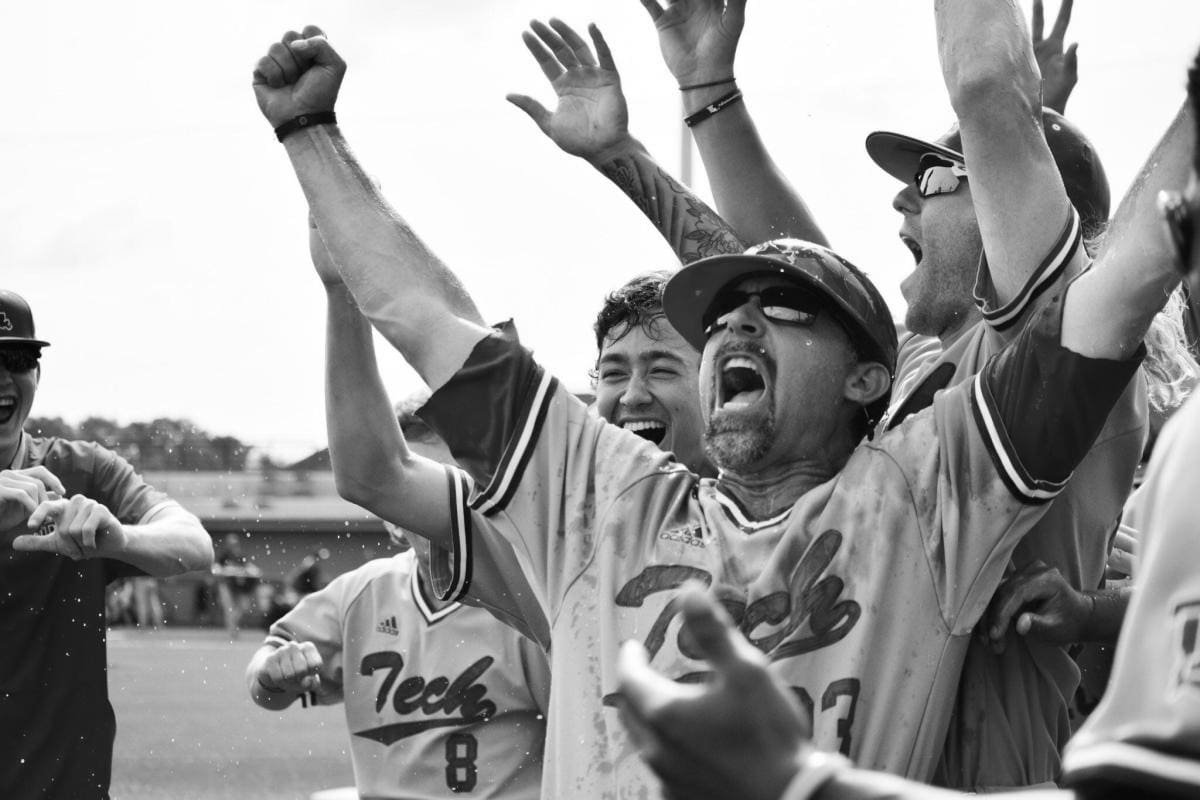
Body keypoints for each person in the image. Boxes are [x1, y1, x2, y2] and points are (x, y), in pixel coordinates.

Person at [253, 27, 1159, 799]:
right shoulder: (601, 493)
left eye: (777, 311)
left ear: (866, 386)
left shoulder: (924, 490)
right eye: (720, 318)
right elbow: (425, 317)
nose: (735, 326)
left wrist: (1001, 102)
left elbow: (1089, 280)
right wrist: (309, 134)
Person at [633, 0, 1196, 789]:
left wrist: (1014, 118)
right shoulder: (917, 367)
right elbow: (796, 272)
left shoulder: (1047, 353)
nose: (903, 199)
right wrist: (708, 95)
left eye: (934, 176)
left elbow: (986, 88)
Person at [244, 215, 550, 799]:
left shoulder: (529, 593)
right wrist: (273, 675)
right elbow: (271, 673)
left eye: (451, 483)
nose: (431, 503)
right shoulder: (362, 594)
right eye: (411, 489)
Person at [0, 290, 213, 800]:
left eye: (16, 359)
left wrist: (119, 538)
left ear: (38, 373)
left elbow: (194, 543)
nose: (2, 379)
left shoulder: (82, 472)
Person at [213, 531, 262, 639]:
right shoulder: (223, 556)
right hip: (226, 584)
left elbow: (248, 567)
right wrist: (227, 571)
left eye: (234, 543)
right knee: (229, 608)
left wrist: (253, 571)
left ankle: (233, 624)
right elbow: (216, 569)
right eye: (231, 544)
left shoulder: (240, 555)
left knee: (243, 607)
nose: (233, 546)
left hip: (239, 586)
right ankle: (232, 631)